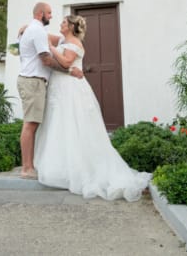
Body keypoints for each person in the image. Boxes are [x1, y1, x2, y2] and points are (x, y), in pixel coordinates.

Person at [34, 14, 152, 200]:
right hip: (60, 86)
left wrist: (51, 49)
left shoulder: (75, 44)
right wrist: (27, 29)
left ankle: (78, 169)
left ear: (72, 27)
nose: (60, 24)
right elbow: (45, 35)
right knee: (59, 124)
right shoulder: (63, 39)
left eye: (64, 22)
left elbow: (65, 62)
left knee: (74, 124)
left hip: (71, 88)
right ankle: (59, 167)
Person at [17, 2, 83, 179]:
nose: (52, 16)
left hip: (35, 82)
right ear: (40, 14)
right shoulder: (37, 31)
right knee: (30, 124)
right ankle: (27, 168)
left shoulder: (37, 30)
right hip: (32, 81)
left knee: (34, 123)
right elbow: (46, 60)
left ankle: (30, 166)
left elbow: (59, 41)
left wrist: (25, 28)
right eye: (49, 13)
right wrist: (69, 71)